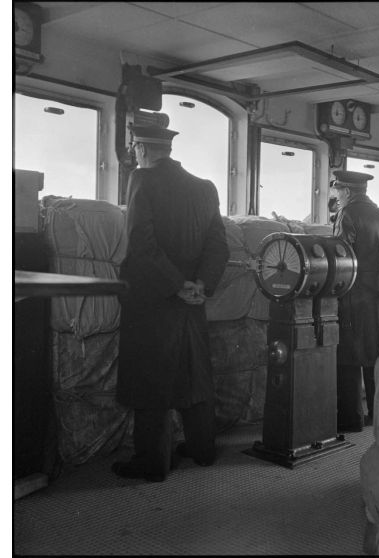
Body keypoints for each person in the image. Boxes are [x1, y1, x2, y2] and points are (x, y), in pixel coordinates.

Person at [112, 125, 230, 482]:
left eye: (134, 147)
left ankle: (152, 462)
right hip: (193, 299)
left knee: (151, 377)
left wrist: (176, 285)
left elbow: (142, 245)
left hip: (154, 297)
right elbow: (218, 246)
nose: (133, 154)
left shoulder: (141, 180)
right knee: (194, 374)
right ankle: (202, 449)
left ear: (143, 147)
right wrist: (200, 285)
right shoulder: (205, 188)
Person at [331, 170, 379, 432]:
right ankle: (378, 413)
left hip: (356, 298)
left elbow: (341, 257)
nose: (336, 196)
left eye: (338, 191)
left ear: (347, 191)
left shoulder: (348, 214)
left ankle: (351, 419)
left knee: (348, 358)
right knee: (376, 358)